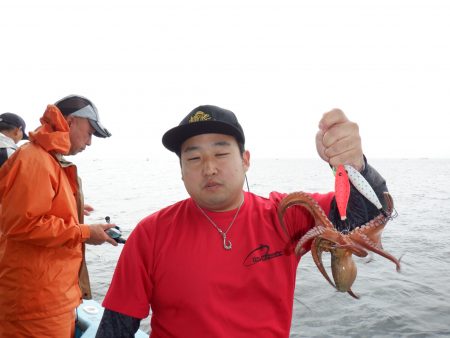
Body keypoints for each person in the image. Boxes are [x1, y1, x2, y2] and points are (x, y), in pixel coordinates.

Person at [96, 105, 389, 338]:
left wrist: (353, 167)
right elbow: (117, 327)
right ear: (181, 171)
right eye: (194, 158)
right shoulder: (150, 234)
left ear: (245, 160)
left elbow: (364, 216)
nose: (209, 168)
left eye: (221, 153)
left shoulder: (284, 215)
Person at [0, 95, 119, 338]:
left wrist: (74, 208)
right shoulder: (35, 159)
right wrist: (86, 232)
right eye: (90, 132)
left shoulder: (47, 160)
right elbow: (22, 223)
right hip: (35, 308)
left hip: (49, 299)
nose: (90, 142)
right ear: (71, 121)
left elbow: (35, 210)